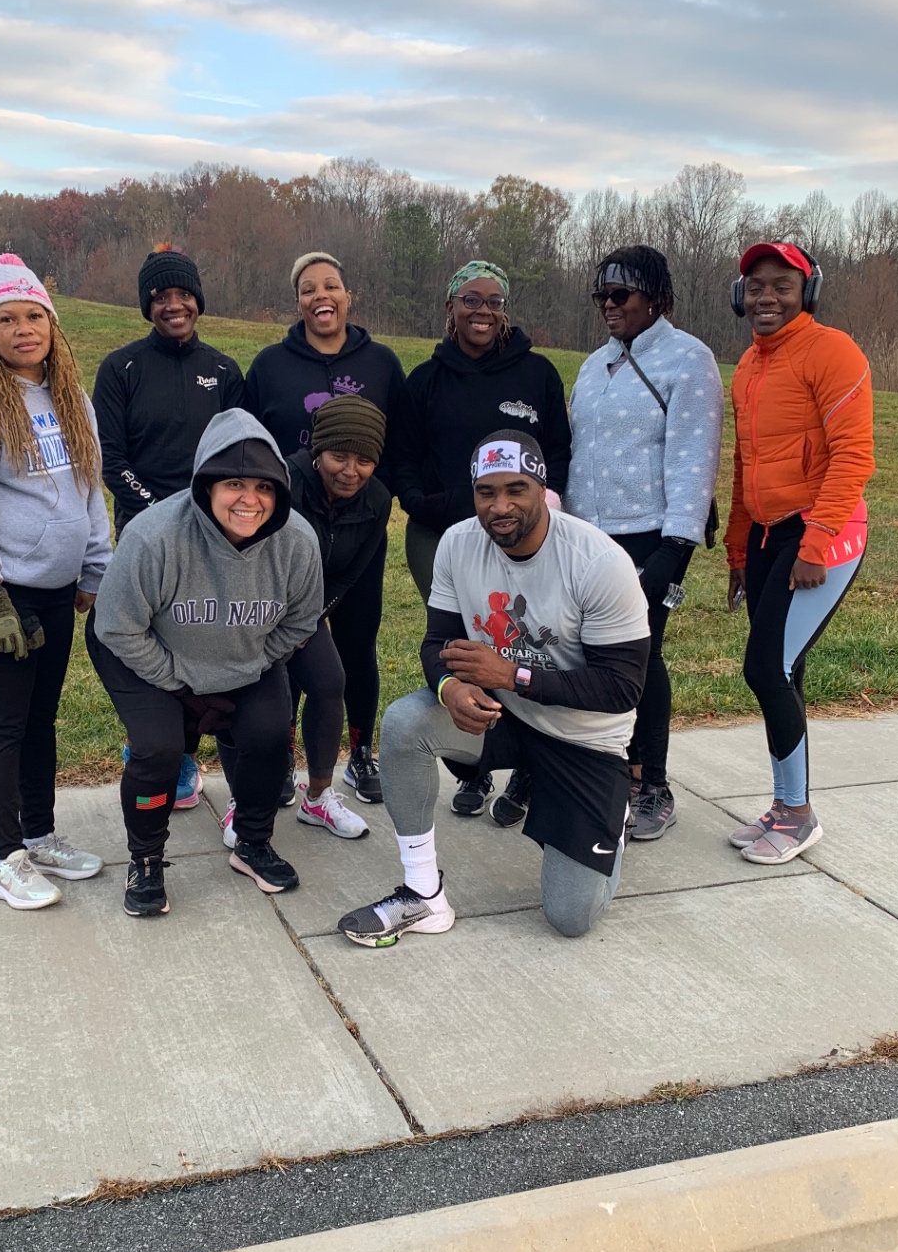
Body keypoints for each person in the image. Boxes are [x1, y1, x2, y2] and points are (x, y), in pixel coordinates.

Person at [338, 431, 649, 947]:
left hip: (585, 740)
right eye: (486, 492)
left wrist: (511, 675)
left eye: (516, 489)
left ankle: (608, 819)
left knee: (569, 918)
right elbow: (438, 643)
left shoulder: (598, 560)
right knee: (404, 721)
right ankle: (422, 895)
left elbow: (621, 688)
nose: (500, 506)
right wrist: (447, 690)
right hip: (503, 718)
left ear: (542, 488)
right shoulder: (458, 544)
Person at [87, 409, 323, 916]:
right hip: (142, 652)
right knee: (159, 747)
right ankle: (145, 860)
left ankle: (253, 844)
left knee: (267, 733)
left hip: (242, 660)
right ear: (206, 484)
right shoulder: (155, 537)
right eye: (234, 483)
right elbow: (117, 626)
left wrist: (248, 666)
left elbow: (301, 623)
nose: (249, 499)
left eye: (263, 486)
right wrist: (181, 683)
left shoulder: (298, 543)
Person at [0, 255, 111, 910]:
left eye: (34, 315)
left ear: (52, 324)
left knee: (41, 719)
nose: (23, 328)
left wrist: (96, 570)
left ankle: (38, 834)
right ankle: (3, 858)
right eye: (6, 318)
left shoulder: (71, 401)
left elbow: (88, 492)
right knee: (4, 723)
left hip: (56, 590)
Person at [387, 259, 572, 819]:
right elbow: (403, 460)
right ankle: (474, 763)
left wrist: (546, 506)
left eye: (494, 301)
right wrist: (433, 504)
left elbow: (559, 453)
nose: (483, 311)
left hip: (525, 535)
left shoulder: (536, 374)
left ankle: (531, 765)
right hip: (442, 534)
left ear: (505, 311)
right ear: (450, 308)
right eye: (471, 299)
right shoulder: (426, 379)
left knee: (522, 640)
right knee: (466, 643)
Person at [564, 246, 723, 840]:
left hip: (650, 535)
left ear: (655, 297)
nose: (609, 306)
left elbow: (693, 457)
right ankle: (603, 772)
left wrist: (675, 548)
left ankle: (650, 783)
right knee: (586, 658)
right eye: (601, 295)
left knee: (640, 657)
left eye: (621, 295)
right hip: (587, 536)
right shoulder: (592, 365)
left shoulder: (689, 360)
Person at [724, 242, 874, 864]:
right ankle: (788, 803)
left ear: (806, 291)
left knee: (766, 668)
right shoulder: (746, 366)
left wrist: (815, 545)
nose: (766, 296)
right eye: (755, 286)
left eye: (781, 285)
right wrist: (737, 550)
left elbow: (853, 457)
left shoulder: (833, 351)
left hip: (821, 531)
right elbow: (744, 465)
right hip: (766, 535)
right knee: (785, 669)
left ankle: (797, 814)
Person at [243, 253, 406, 803]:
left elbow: (402, 439)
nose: (321, 296)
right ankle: (284, 752)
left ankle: (360, 751)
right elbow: (249, 443)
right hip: (288, 521)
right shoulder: (270, 365)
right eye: (309, 289)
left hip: (358, 526)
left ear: (347, 295)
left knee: (357, 646)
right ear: (298, 302)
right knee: (287, 646)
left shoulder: (381, 362)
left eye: (331, 285)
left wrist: (381, 493)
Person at [92, 245, 245, 811]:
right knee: (148, 640)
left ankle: (186, 754)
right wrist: (161, 510)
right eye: (161, 297)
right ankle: (153, 747)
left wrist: (209, 511)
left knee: (199, 637)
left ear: (198, 302)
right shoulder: (121, 368)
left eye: (183, 295)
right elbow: (112, 457)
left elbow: (239, 454)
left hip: (216, 531)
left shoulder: (225, 371)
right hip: (144, 530)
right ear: (147, 306)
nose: (173, 305)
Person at [253, 393, 391, 842]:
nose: (351, 471)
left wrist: (306, 620)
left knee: (331, 681)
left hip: (311, 605)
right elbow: (253, 554)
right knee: (265, 692)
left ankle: (318, 797)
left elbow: (351, 572)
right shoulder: (279, 482)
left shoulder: (378, 499)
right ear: (316, 451)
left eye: (364, 460)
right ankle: (255, 788)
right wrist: (278, 622)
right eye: (339, 457)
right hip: (259, 602)